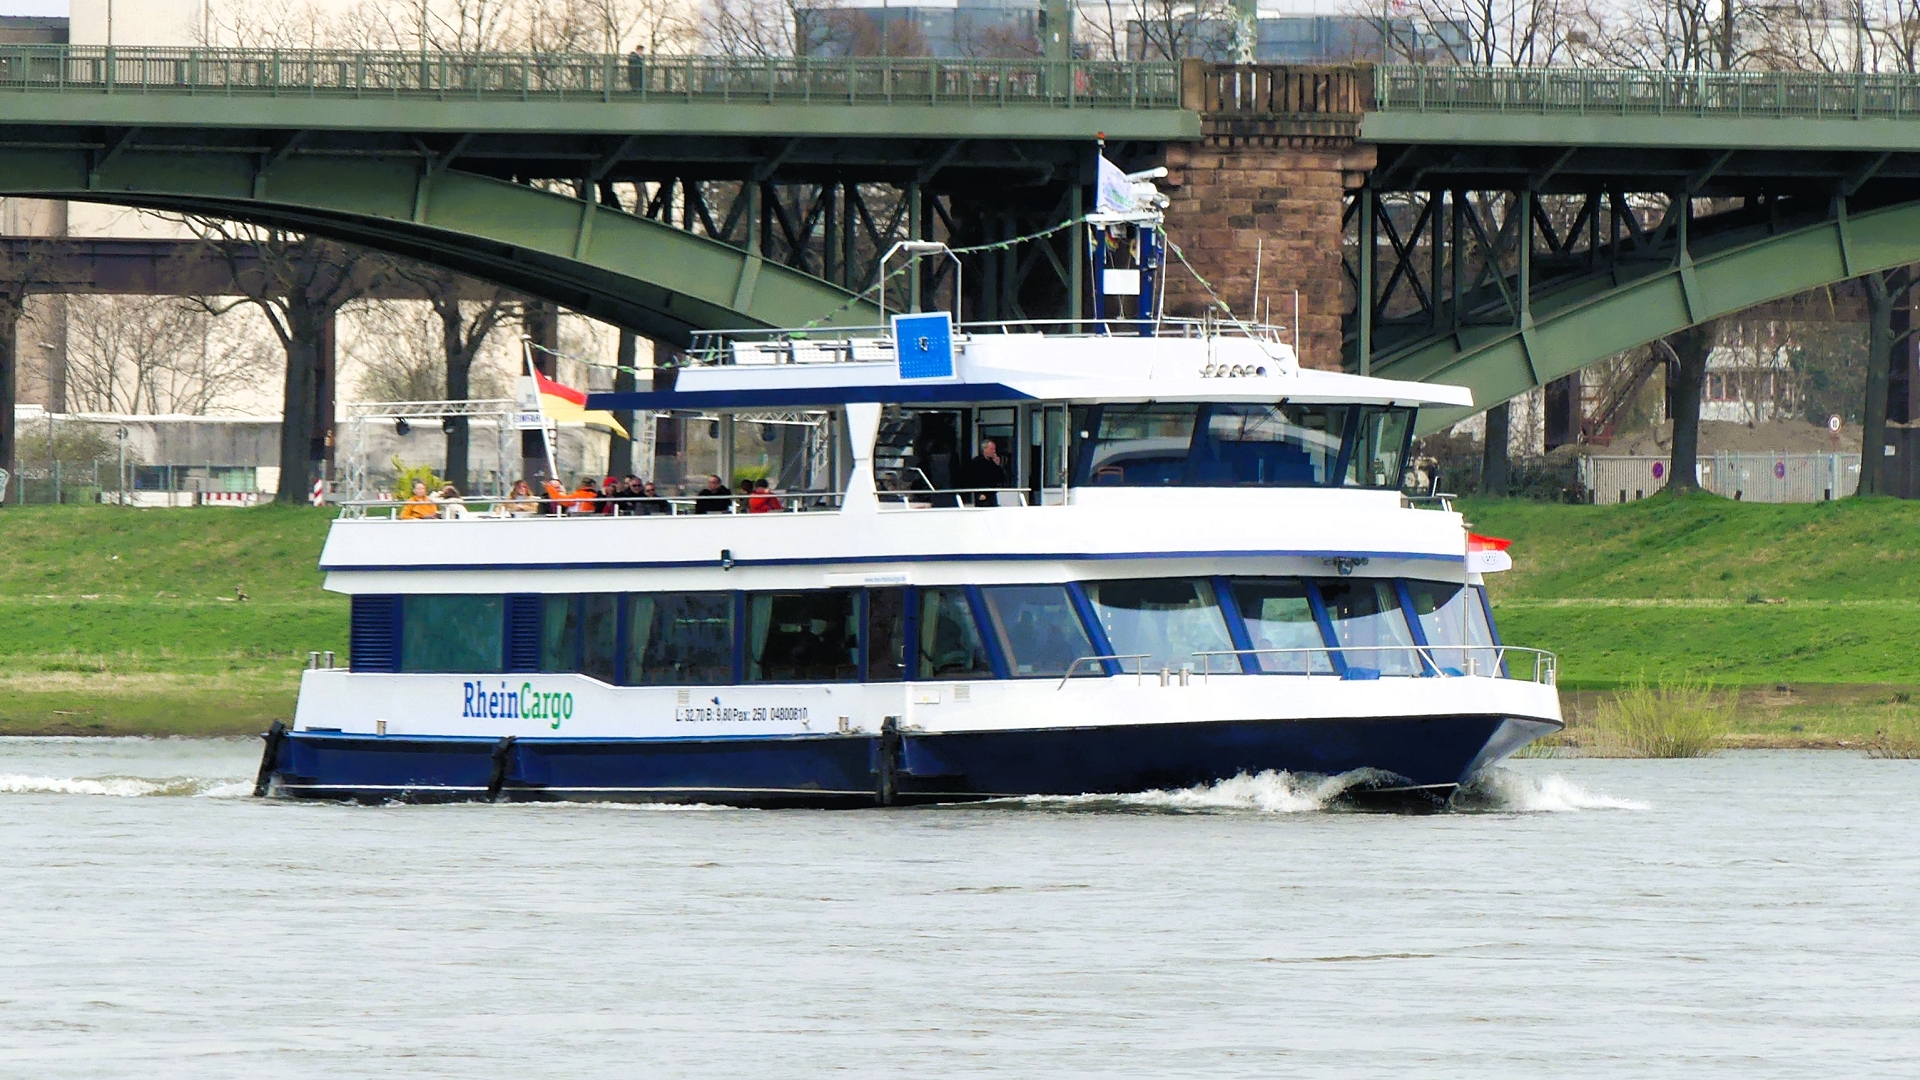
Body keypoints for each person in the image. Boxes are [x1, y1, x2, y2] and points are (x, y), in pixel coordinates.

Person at [964, 438, 1009, 506]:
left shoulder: (992, 462)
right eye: (991, 449)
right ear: (984, 449)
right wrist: (979, 493)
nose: (994, 451)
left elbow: (1001, 478)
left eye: (994, 449)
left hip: (992, 493)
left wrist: (997, 465)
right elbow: (971, 479)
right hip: (982, 493)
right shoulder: (976, 462)